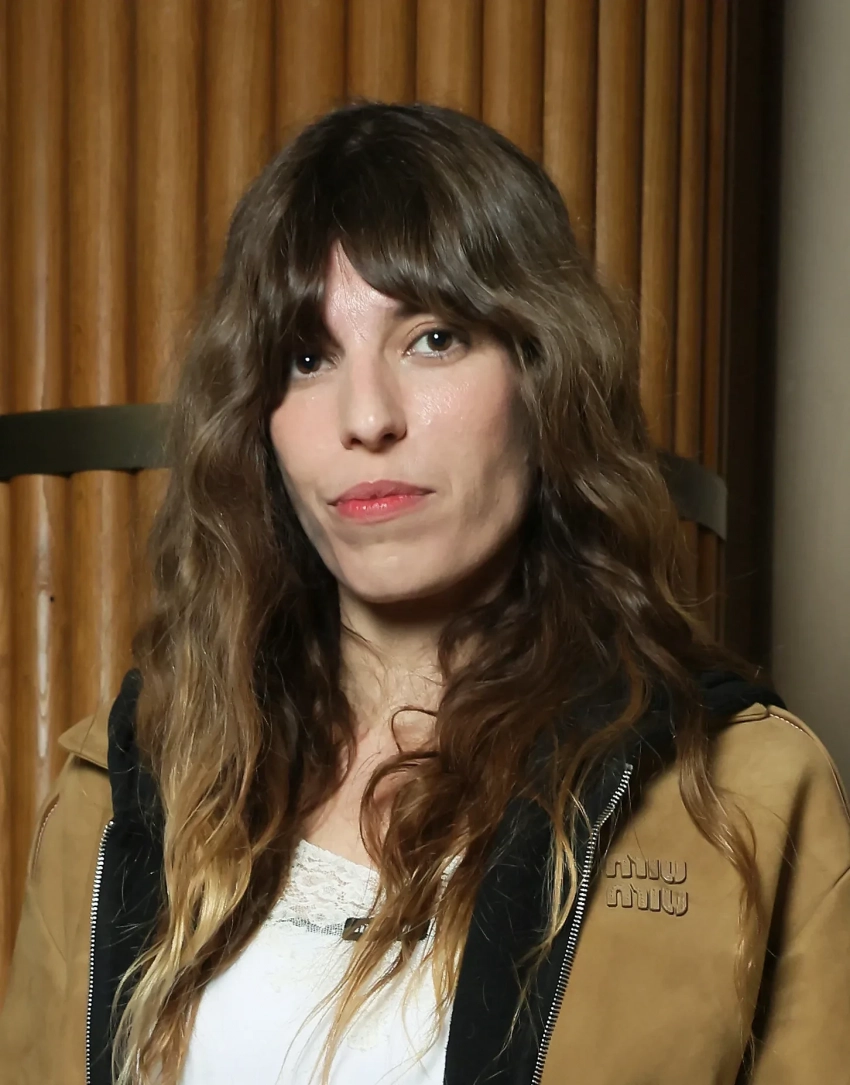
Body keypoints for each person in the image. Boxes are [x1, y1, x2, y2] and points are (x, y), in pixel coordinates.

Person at [1, 100, 848, 1085]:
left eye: (434, 337)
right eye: (307, 357)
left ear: (542, 373)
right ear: (257, 421)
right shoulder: (123, 784)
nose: (367, 416)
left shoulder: (740, 794)